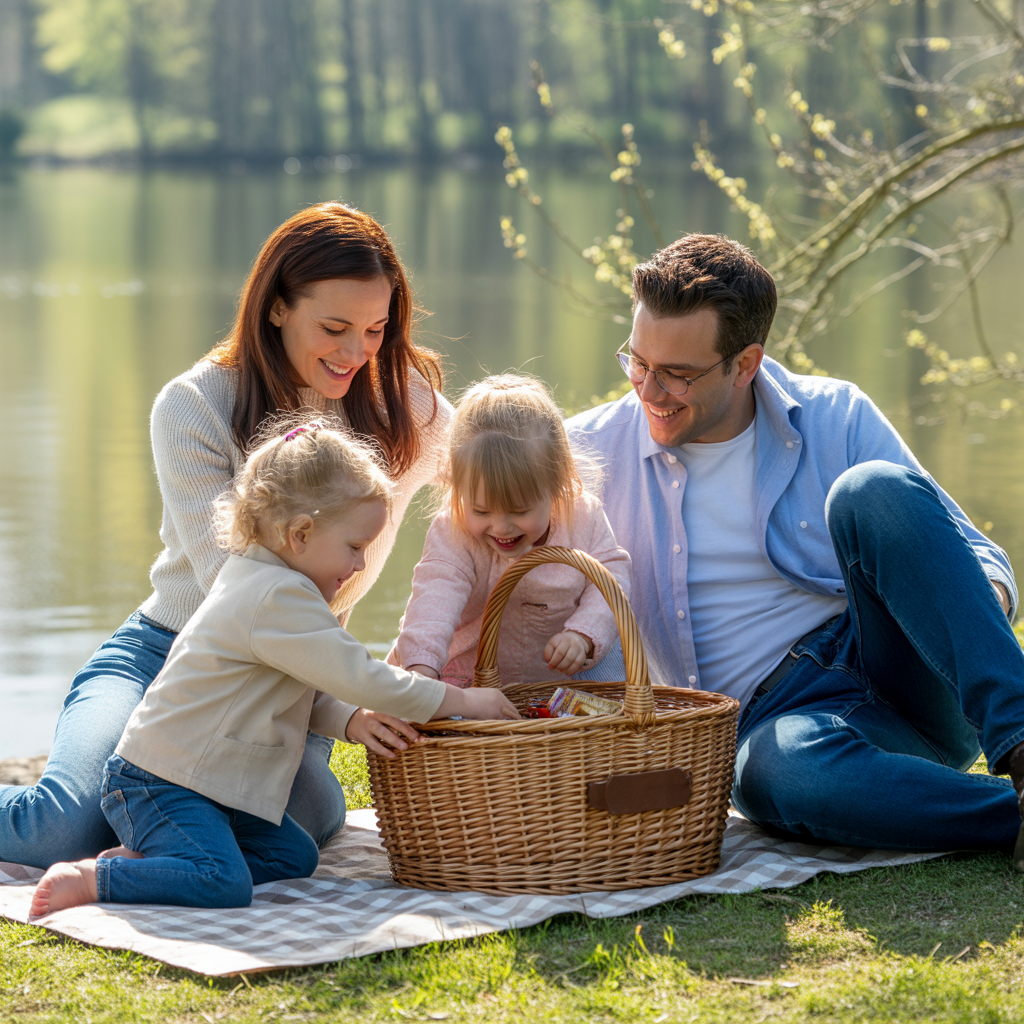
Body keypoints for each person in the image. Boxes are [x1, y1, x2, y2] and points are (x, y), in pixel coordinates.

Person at [1, 202, 454, 870]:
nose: (357, 352)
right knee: (60, 832)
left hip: (286, 681)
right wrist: (347, 704)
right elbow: (238, 598)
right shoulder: (195, 405)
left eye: (376, 329)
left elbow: (505, 465)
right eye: (334, 327)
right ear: (276, 307)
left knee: (310, 819)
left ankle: (150, 825)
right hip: (163, 655)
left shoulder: (404, 407)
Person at [567, 232, 1024, 858]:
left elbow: (982, 560)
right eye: (638, 363)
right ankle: (1008, 818)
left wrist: (969, 605)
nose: (648, 390)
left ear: (745, 363)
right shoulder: (584, 457)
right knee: (777, 774)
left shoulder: (836, 413)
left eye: (676, 375)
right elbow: (485, 542)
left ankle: (1022, 744)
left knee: (874, 489)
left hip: (898, 662)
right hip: (778, 723)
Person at [29, 419, 519, 916]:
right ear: (300, 534)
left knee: (293, 853)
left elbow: (303, 687)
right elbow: (361, 675)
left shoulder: (270, 581)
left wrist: (351, 719)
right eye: (354, 547)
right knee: (224, 884)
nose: (359, 566)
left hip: (215, 787)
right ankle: (97, 877)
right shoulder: (274, 595)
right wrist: (463, 699)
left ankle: (164, 862)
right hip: (162, 782)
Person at [388, 374, 630, 687]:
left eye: (519, 510)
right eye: (481, 510)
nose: (501, 527)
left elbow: (611, 578)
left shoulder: (582, 516)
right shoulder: (454, 530)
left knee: (607, 675)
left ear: (556, 487)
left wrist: (583, 633)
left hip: (559, 677)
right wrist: (422, 670)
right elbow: (433, 600)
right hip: (468, 676)